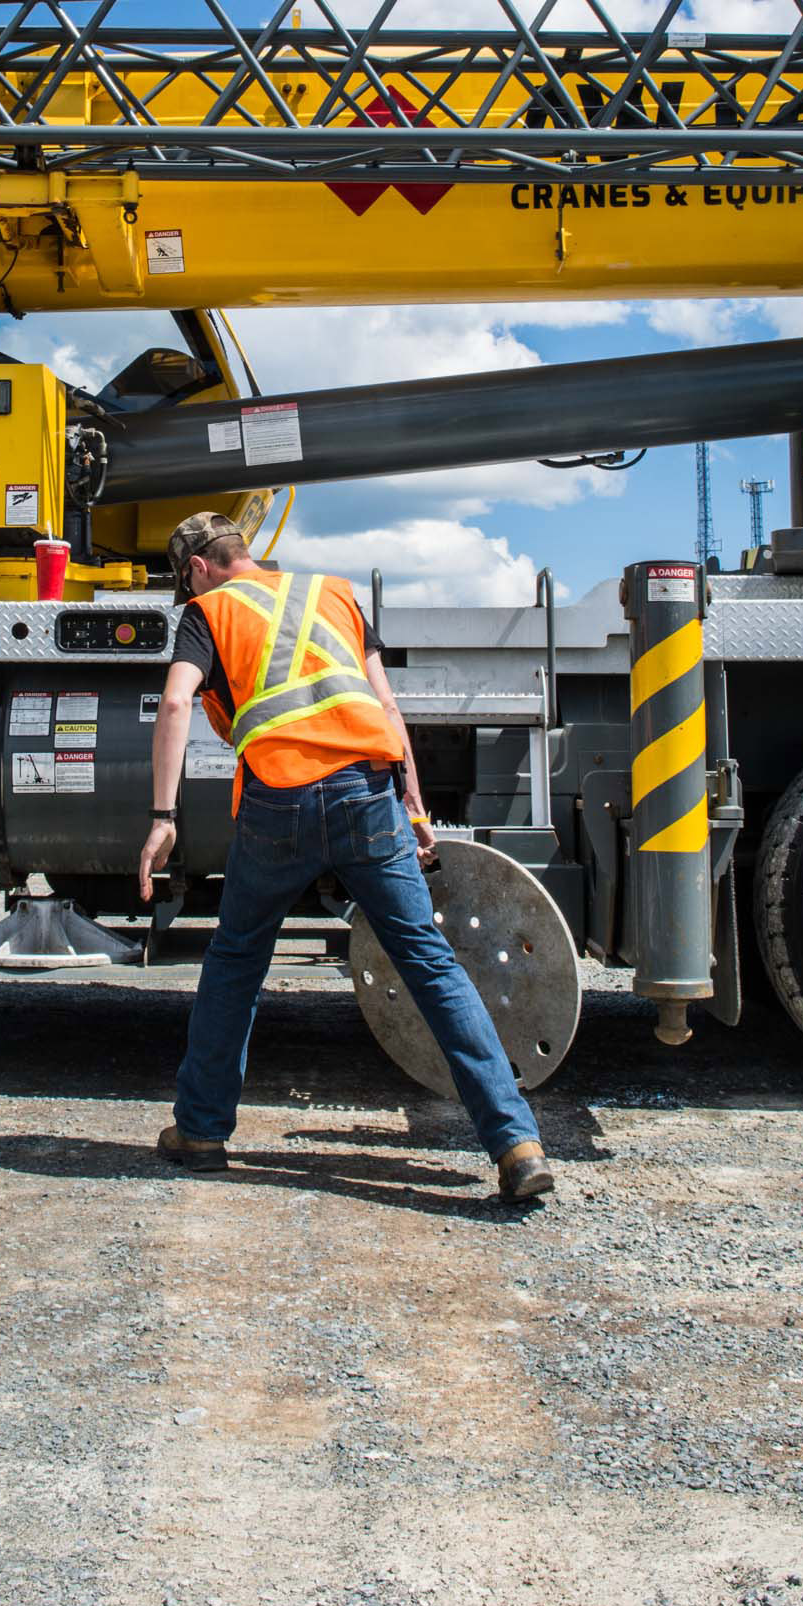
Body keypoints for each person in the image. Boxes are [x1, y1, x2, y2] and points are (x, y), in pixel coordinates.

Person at [137, 512, 554, 1204]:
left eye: (187, 580)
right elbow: (387, 706)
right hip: (369, 795)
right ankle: (516, 1143)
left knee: (238, 959)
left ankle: (202, 1132)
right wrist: (415, 807)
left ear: (198, 567)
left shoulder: (207, 610)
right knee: (428, 960)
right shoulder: (333, 592)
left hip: (278, 801)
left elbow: (178, 699)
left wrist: (162, 817)